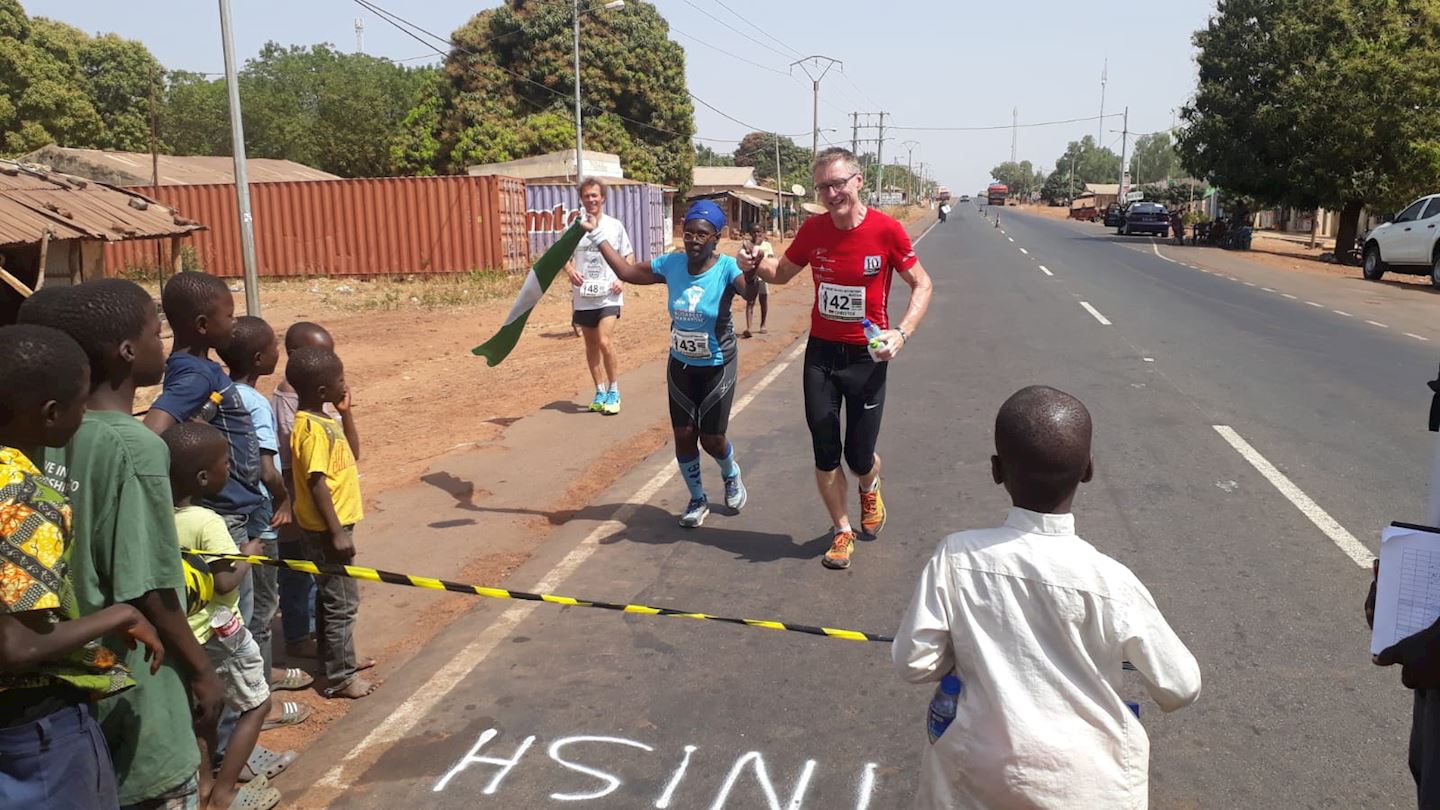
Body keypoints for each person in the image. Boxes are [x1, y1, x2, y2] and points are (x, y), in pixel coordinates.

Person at [892, 386, 1202, 809]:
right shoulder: (1112, 582)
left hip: (978, 777)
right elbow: (1180, 685)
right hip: (1092, 787)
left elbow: (914, 662)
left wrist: (962, 649)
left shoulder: (957, 556)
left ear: (997, 470)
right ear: (1088, 470)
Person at [20, 280, 225, 809]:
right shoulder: (134, 447)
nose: (165, 345)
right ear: (128, 353)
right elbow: (149, 589)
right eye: (156, 334)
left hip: (57, 687)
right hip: (136, 679)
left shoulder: (30, 434)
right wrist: (202, 671)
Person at [0, 324, 166, 810]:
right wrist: (123, 615)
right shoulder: (25, 497)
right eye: (80, 403)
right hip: (33, 733)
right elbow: (16, 645)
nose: (86, 411)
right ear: (52, 415)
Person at [744, 147, 934, 570]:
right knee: (825, 451)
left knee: (859, 456)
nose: (832, 193)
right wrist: (757, 263)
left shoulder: (887, 231)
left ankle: (869, 485)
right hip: (822, 356)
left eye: (839, 183)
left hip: (867, 358)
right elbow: (782, 272)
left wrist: (901, 333)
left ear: (858, 181)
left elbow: (922, 284)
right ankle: (842, 530)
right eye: (824, 186)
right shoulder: (813, 230)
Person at [585, 200, 755, 528]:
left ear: (715, 238)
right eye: (688, 233)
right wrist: (597, 236)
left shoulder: (727, 268)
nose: (693, 240)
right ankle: (696, 498)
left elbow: (748, 293)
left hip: (718, 363)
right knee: (683, 434)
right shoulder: (671, 264)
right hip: (681, 364)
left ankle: (730, 473)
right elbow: (626, 272)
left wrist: (752, 270)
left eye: (701, 235)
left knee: (712, 438)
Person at [163, 422, 280, 810]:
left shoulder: (158, 517)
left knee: (206, 713)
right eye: (225, 464)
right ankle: (226, 791)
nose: (229, 470)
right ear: (202, 477)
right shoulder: (207, 522)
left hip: (186, 635)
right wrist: (250, 550)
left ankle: (204, 785)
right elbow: (226, 581)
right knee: (256, 704)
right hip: (222, 635)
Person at [216, 316, 314, 728]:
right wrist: (284, 499)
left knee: (251, 606)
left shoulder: (221, 393)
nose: (280, 353)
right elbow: (266, 467)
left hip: (232, 510)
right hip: (259, 514)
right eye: (275, 347)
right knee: (260, 608)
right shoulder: (254, 403)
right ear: (260, 358)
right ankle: (260, 700)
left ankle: (263, 677)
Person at [287, 346, 374, 698]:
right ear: (321, 390)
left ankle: (334, 659)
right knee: (343, 602)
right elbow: (315, 481)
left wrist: (346, 414)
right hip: (326, 529)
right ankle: (341, 677)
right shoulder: (310, 430)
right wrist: (336, 530)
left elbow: (354, 453)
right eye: (340, 379)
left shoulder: (326, 421)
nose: (345, 383)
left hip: (336, 524)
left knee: (330, 598)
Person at [565, 178, 634, 415]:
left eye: (595, 195)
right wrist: (570, 270)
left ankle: (614, 390)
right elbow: (561, 255)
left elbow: (629, 256)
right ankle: (599, 391)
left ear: (603, 198)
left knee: (605, 341)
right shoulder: (575, 227)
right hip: (584, 296)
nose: (591, 199)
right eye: (587, 196)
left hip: (609, 295)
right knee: (591, 345)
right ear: (582, 199)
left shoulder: (614, 226)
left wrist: (621, 279)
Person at [740, 223, 771, 339]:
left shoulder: (767, 245)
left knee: (763, 300)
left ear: (762, 233)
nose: (757, 234)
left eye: (759, 232)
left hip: (763, 277)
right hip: (751, 277)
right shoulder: (746, 245)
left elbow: (771, 258)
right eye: (754, 232)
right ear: (750, 234)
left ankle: (763, 324)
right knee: (750, 301)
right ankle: (749, 328)